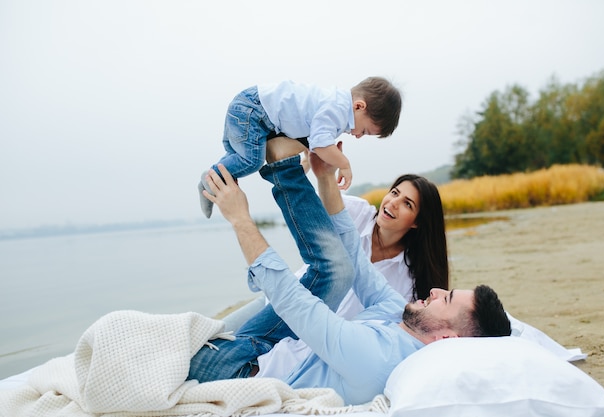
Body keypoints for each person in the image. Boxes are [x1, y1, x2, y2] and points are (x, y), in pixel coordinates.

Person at [188, 141, 511, 405]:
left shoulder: (376, 355)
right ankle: (283, 167)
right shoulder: (399, 316)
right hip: (285, 331)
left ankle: (280, 165)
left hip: (246, 367)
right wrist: (324, 175)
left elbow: (298, 305)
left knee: (156, 343)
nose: (438, 290)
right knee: (341, 269)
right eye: (395, 193)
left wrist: (240, 218)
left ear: (447, 338)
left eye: (448, 298)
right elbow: (351, 254)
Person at [198, 76, 402, 218]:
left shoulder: (334, 104)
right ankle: (210, 179)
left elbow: (310, 137)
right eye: (364, 131)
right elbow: (320, 143)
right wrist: (345, 164)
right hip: (254, 110)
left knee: (235, 159)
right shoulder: (338, 110)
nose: (358, 136)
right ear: (359, 106)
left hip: (251, 107)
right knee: (251, 161)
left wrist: (306, 162)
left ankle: (213, 181)